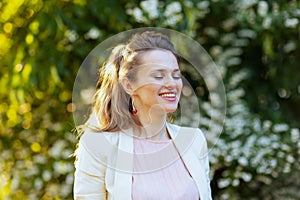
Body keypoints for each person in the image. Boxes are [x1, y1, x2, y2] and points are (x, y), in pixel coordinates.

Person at [73, 31, 212, 200]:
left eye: (176, 75)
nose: (171, 84)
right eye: (159, 75)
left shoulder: (194, 141)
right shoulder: (98, 145)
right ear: (129, 85)